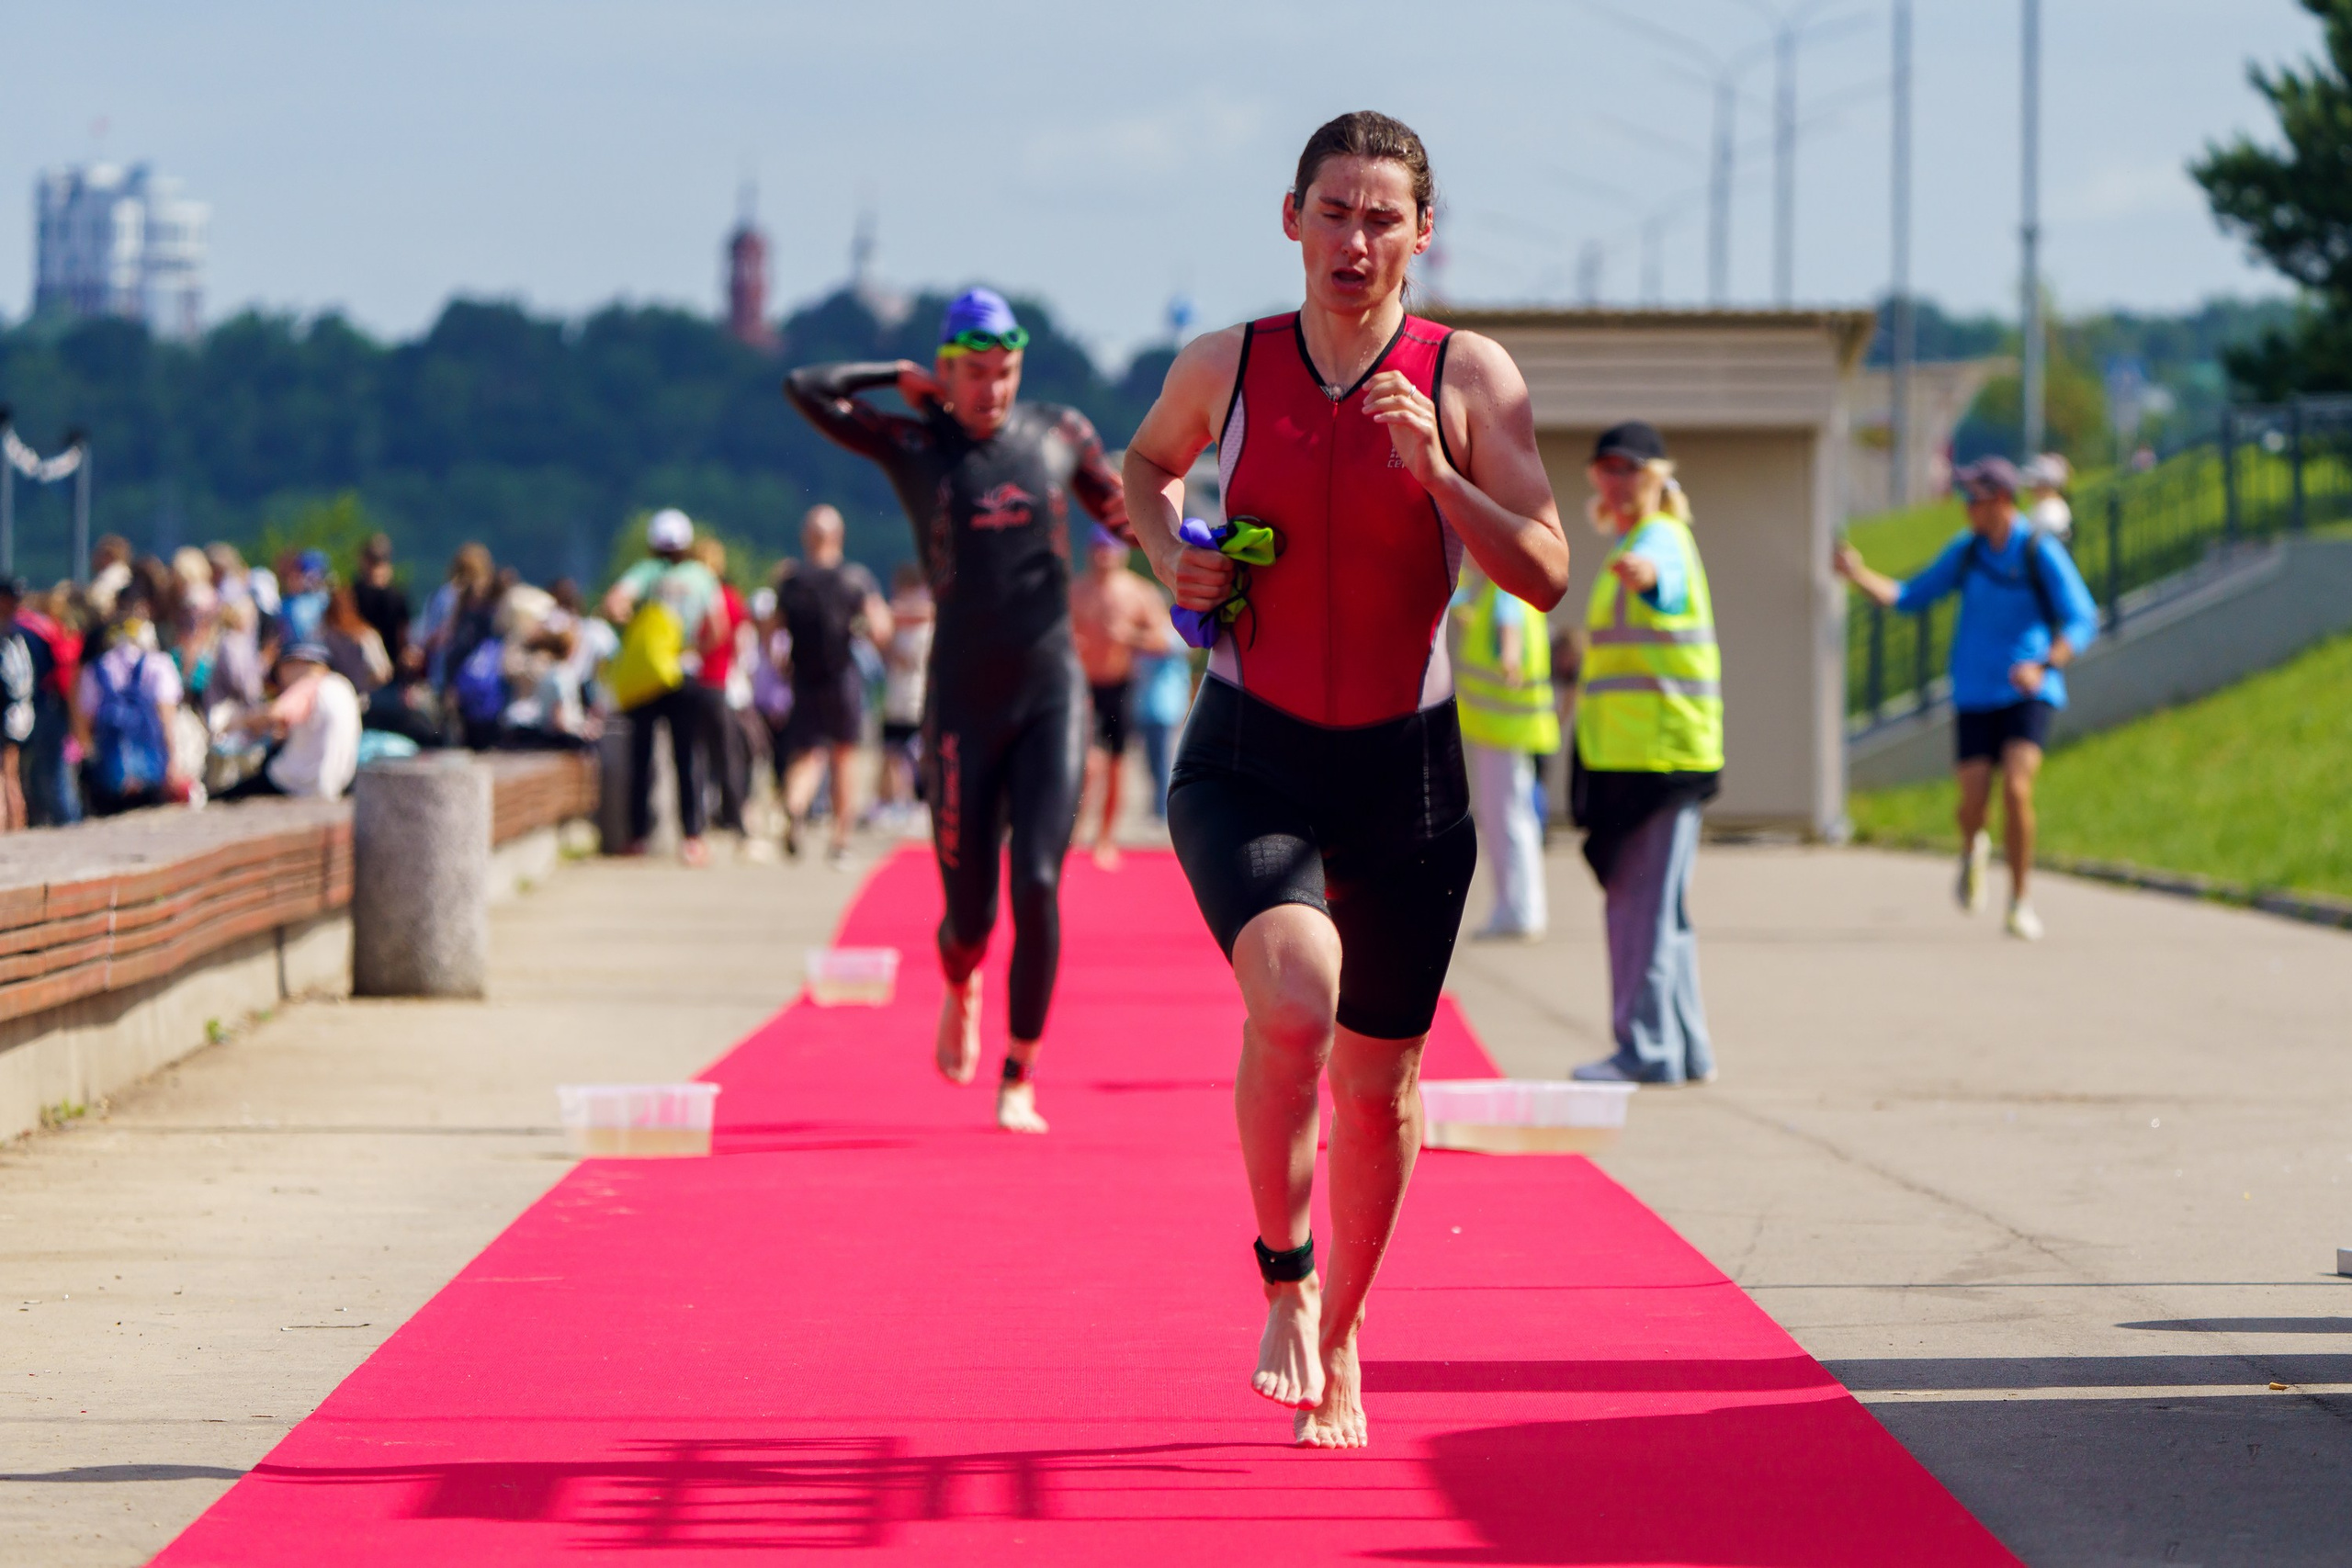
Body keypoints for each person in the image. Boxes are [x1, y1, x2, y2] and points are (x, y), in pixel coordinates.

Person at [1122, 111, 1568, 1448]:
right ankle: (1284, 1271)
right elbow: (1146, 469)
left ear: (1422, 235)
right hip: (1250, 748)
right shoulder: (1228, 363)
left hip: (1407, 772)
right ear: (1292, 219)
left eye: (1383, 218)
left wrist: (1437, 474)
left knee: (1380, 1084)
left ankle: (1348, 1326)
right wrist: (1170, 555)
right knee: (1296, 1001)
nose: (1355, 240)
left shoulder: (1468, 377)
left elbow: (1544, 569)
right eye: (1335, 211)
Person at [786, 286, 1129, 1134]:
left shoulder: (1059, 434)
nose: (994, 391)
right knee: (969, 917)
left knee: (1041, 879)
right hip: (961, 707)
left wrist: (1197, 540)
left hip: (1052, 690)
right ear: (945, 371)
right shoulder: (916, 442)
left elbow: (1127, 512)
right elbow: (806, 386)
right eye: (976, 374)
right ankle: (960, 979)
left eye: (1006, 372)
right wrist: (891, 375)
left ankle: (1019, 1071)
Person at [1837, 456, 2100, 941]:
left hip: (2028, 690)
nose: (1964, 509)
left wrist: (2044, 664)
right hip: (1975, 691)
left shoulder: (2037, 550)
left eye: (1972, 500)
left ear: (2000, 500)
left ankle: (2020, 901)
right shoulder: (1968, 551)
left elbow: (2083, 617)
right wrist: (1856, 574)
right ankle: (1972, 846)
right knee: (1972, 803)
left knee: (2017, 789)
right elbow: (1911, 595)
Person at [1564, 422, 1722, 1086]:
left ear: (1657, 476)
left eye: (1627, 468)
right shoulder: (1639, 540)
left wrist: (1648, 577)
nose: (1613, 479)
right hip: (1651, 754)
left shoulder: (1658, 540)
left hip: (1653, 758)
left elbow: (1663, 583)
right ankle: (1685, 1047)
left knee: (1639, 910)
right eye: (1604, 467)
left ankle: (1646, 1049)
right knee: (1662, 911)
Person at [602, 508, 728, 865]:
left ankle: (637, 836)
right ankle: (692, 838)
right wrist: (689, 649)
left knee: (640, 757)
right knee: (687, 757)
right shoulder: (701, 576)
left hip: (647, 676)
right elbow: (718, 629)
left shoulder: (646, 573)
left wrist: (635, 628)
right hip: (682, 671)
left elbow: (614, 604)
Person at [1453, 551, 1558, 941]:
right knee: (1514, 817)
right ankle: (1520, 908)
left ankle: (1517, 911)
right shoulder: (1493, 589)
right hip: (1509, 726)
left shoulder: (1503, 591)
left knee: (1506, 820)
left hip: (1504, 726)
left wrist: (1509, 657)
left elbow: (1508, 627)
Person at [1069, 524, 1169, 868]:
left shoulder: (1138, 593)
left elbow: (1162, 641)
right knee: (1088, 763)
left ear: (1121, 553)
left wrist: (1130, 636)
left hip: (1120, 686)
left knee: (1115, 764)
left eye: (1108, 549)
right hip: (1082, 688)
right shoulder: (1075, 591)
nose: (1103, 556)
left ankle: (1106, 837)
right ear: (1089, 552)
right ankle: (1076, 831)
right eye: (1097, 549)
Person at [220, 642, 362, 801]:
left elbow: (275, 713)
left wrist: (236, 723)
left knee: (226, 796)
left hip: (299, 783)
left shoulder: (309, 684)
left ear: (293, 665)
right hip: (334, 784)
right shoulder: (342, 686)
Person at [876, 562, 934, 830]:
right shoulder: (898, 625)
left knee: (912, 755)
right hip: (898, 699)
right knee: (894, 754)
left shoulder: (927, 624)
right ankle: (899, 802)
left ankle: (920, 801)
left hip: (916, 699)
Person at [1130, 627, 1193, 820]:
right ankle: (1159, 810)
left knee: (1165, 763)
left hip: (1166, 709)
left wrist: (1131, 636)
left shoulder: (1172, 634)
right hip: (1146, 710)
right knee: (1151, 763)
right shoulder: (1142, 640)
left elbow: (1164, 645)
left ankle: (1165, 812)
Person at [0, 578, 37, 831]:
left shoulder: (9, 635)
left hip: (8, 711)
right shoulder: (20, 635)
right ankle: (16, 826)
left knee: (6, 776)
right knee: (11, 775)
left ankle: (9, 827)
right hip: (22, 711)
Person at [352, 534, 413, 679]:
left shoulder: (352, 593)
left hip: (357, 671)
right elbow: (403, 635)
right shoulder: (397, 595)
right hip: (389, 670)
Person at [2021, 454, 2074, 540]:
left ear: (2045, 485)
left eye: (2036, 484)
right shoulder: (2042, 507)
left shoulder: (2053, 511)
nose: (2031, 489)